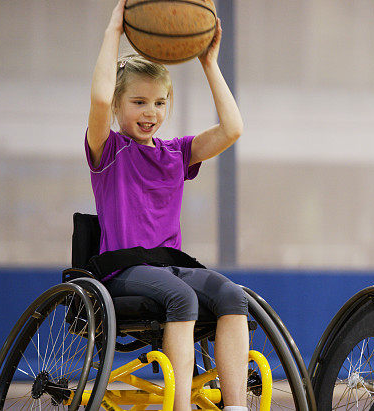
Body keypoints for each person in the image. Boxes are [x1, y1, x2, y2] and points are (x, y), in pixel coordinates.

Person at [86, 1, 248, 410]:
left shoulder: (175, 153)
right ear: (121, 105)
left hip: (169, 263)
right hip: (124, 269)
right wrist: (113, 32)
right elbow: (101, 100)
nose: (150, 113)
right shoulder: (110, 150)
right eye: (139, 102)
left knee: (233, 297)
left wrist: (209, 62)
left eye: (159, 103)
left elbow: (233, 128)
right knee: (183, 298)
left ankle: (235, 406)